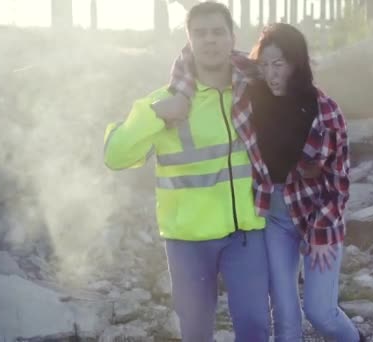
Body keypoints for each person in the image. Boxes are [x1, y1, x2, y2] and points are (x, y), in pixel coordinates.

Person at [168, 21, 365, 342]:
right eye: (265, 65)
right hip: (274, 219)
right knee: (286, 318)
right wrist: (181, 94)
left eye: (280, 64)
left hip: (318, 219)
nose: (272, 73)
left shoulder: (326, 112)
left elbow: (339, 183)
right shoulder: (252, 91)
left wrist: (322, 235)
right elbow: (195, 53)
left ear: (296, 63)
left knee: (321, 312)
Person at [102, 3, 270, 342]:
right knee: (195, 333)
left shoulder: (254, 92)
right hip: (187, 241)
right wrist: (155, 115)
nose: (210, 40)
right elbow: (115, 156)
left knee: (254, 327)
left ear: (232, 36)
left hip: (245, 234)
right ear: (189, 39)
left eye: (218, 32)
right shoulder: (163, 100)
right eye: (201, 33)